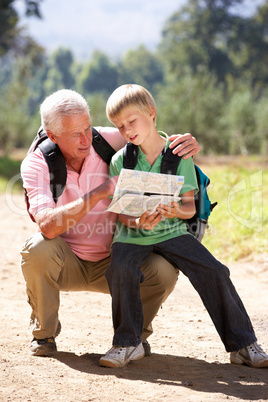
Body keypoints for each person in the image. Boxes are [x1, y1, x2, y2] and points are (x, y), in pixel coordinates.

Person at [20, 88, 200, 357]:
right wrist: (99, 193)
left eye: (87, 128)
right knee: (36, 249)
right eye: (74, 134)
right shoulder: (37, 164)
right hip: (66, 262)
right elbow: (47, 226)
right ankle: (44, 334)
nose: (85, 139)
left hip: (118, 261)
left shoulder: (106, 140)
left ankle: (135, 337)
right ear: (53, 136)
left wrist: (184, 143)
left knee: (163, 270)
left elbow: (150, 132)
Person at [99, 83, 268, 369]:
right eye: (120, 126)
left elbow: (189, 207)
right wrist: (139, 220)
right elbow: (123, 215)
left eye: (132, 121)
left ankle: (243, 345)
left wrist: (175, 210)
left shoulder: (179, 157)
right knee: (120, 267)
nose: (127, 130)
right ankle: (127, 343)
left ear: (151, 114)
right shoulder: (120, 160)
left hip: (173, 231)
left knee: (215, 269)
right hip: (131, 234)